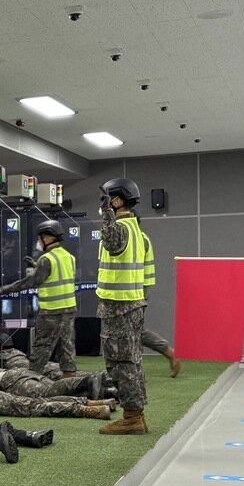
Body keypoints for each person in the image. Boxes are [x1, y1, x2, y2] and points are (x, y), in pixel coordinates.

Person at [96, 178, 150, 434]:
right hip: (128, 305)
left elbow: (112, 244)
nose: (104, 204)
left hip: (120, 307)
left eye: (107, 199)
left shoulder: (122, 228)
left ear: (116, 200)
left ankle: (132, 417)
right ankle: (135, 413)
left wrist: (107, 214)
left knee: (121, 363)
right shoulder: (135, 229)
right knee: (130, 361)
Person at [0, 219, 77, 376]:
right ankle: (70, 381)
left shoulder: (46, 259)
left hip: (51, 311)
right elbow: (56, 275)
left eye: (40, 237)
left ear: (48, 238)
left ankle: (32, 381)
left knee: (42, 347)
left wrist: (5, 289)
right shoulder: (68, 256)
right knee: (66, 346)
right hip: (69, 309)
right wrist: (36, 266)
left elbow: (31, 281)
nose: (38, 241)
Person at [0, 358, 112, 403]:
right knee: (56, 389)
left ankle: (87, 381)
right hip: (17, 373)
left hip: (8, 381)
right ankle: (109, 392)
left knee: (47, 393)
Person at [141, 234, 181, 377]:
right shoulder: (142, 237)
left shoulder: (135, 237)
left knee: (133, 330)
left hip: (130, 291)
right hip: (133, 290)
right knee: (133, 331)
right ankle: (168, 352)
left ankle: (169, 352)